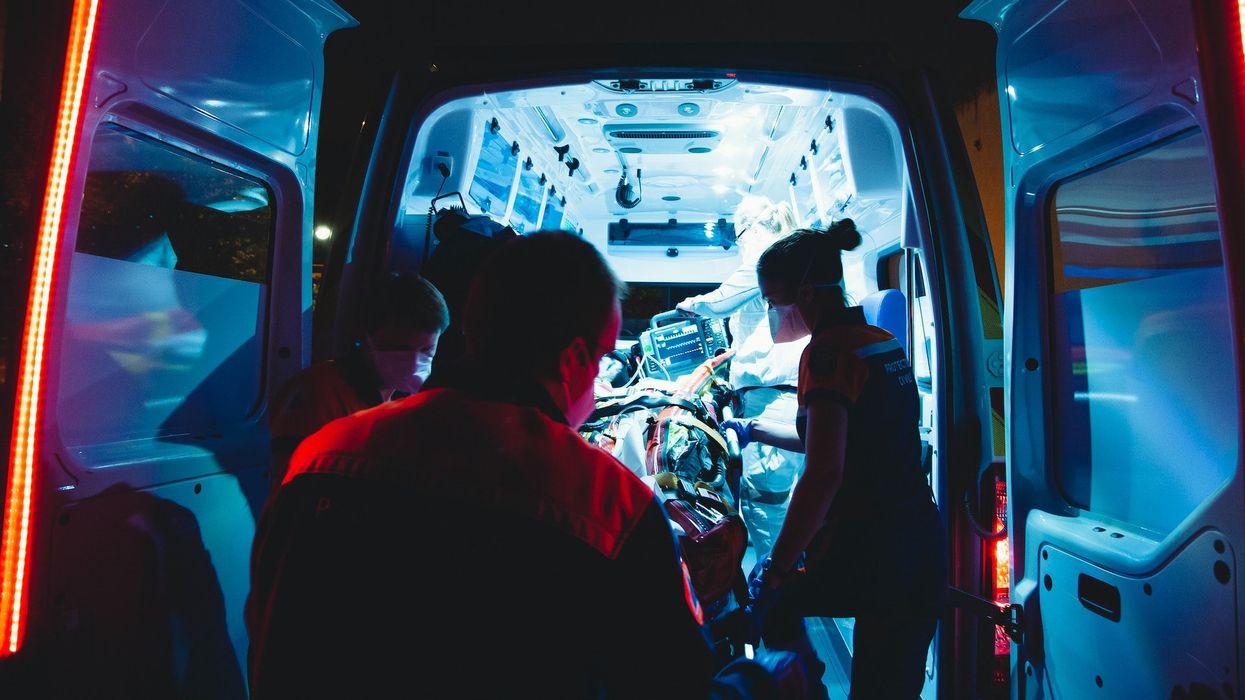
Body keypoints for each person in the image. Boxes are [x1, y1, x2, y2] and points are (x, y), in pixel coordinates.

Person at [246, 232, 720, 698]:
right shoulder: (614, 505)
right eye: (599, 358)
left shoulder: (324, 452)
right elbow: (676, 682)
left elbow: (269, 632)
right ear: (575, 357)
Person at [736, 221, 947, 698]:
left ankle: (802, 686)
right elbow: (840, 439)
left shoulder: (826, 354)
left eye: (772, 302)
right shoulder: (879, 341)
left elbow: (824, 473)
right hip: (917, 542)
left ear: (805, 292)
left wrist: (776, 569)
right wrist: (753, 430)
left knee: (774, 597)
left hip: (880, 553)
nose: (771, 313)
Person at [676, 195, 806, 562]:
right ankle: (790, 576)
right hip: (783, 393)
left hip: (772, 397)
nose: (739, 245)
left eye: (738, 236)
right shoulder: (789, 258)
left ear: (750, 229)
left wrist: (689, 305)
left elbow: (720, 302)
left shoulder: (766, 256)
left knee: (765, 502)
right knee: (784, 500)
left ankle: (776, 583)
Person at [265, 272, 448, 489]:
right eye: (400, 348)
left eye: (426, 350)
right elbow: (296, 488)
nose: (413, 363)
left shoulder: (405, 401)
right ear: (367, 337)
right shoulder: (316, 393)